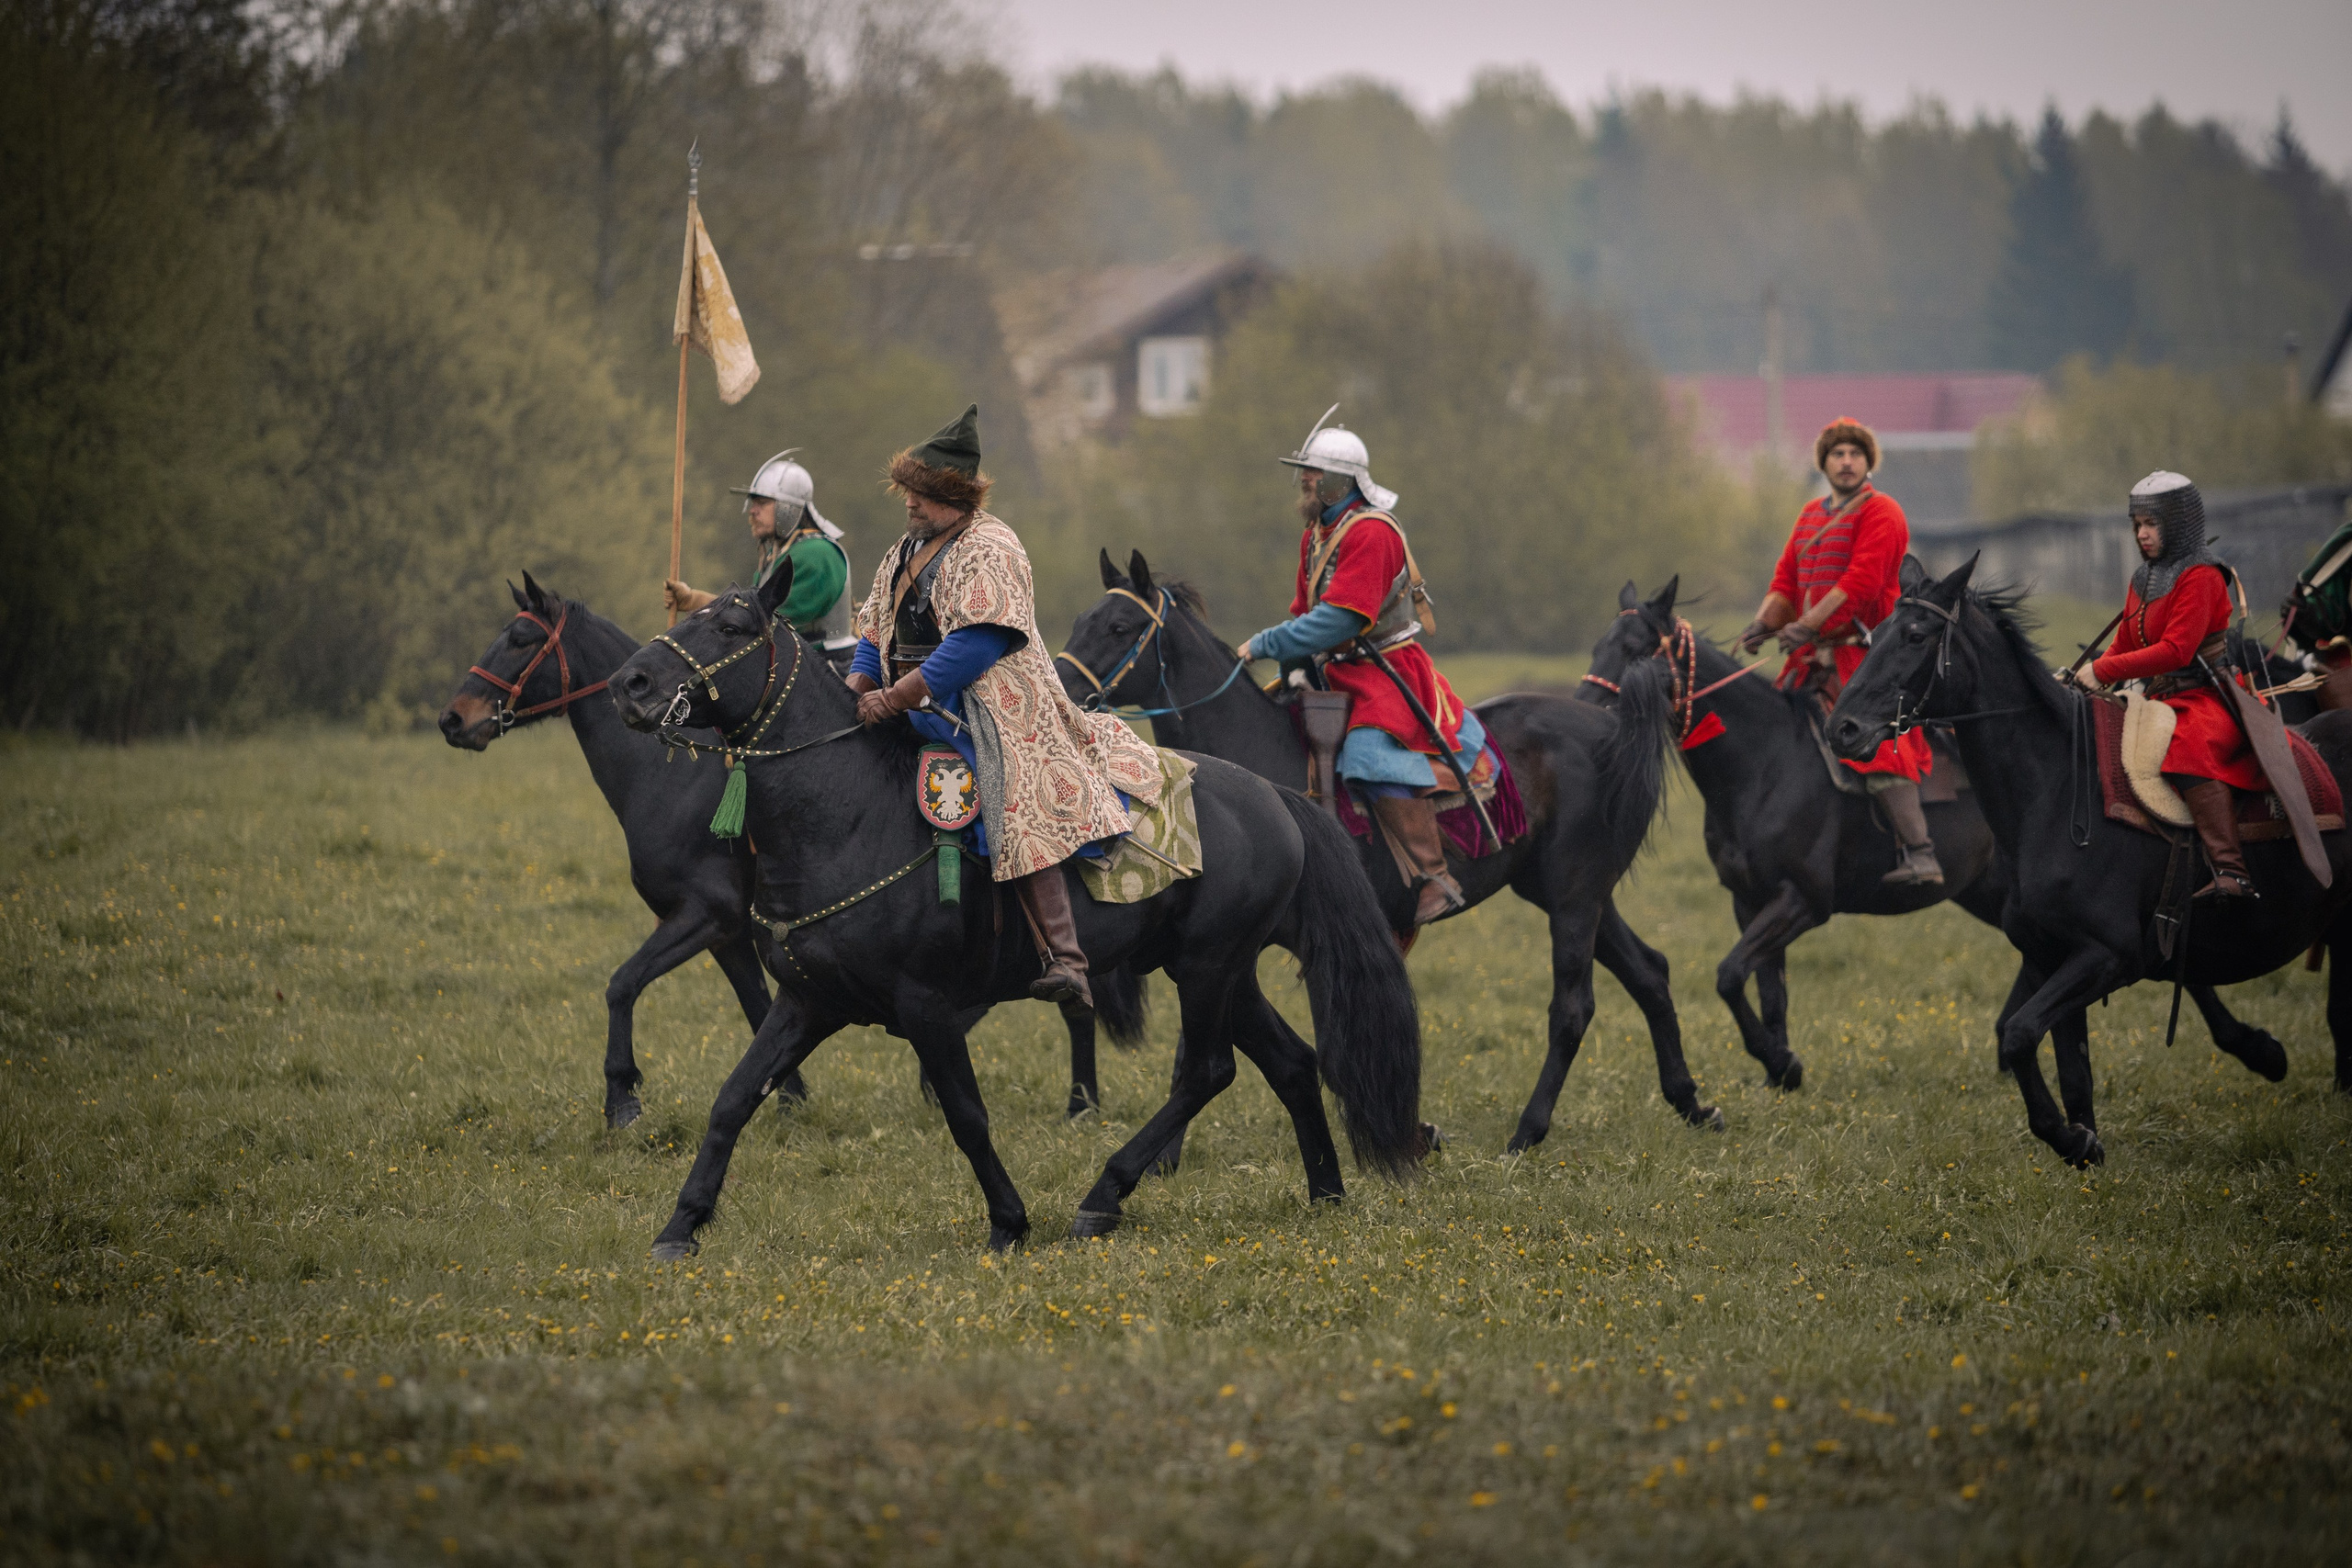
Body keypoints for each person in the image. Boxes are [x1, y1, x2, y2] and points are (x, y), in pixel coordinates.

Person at [845, 405, 1165, 1007]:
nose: (909, 503)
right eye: (907, 492)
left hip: (996, 705)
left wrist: (895, 698)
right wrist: (858, 690)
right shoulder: (903, 548)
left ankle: (1065, 957)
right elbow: (874, 630)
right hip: (909, 702)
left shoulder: (992, 546)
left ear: (953, 495)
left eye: (921, 494)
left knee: (1011, 795)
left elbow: (974, 647)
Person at [1236, 408, 1484, 926]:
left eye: (1313, 471)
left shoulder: (1372, 533)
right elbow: (1307, 613)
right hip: (1333, 669)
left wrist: (1266, 643)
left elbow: (1340, 621)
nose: (1304, 478)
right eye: (1304, 470)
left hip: (1384, 669)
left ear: (1341, 479)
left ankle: (1435, 874)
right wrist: (1292, 665)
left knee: (1368, 756)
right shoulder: (1318, 533)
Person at [1736, 416, 1942, 885]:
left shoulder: (1883, 510)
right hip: (1809, 659)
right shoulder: (1811, 515)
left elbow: (1862, 581)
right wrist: (1762, 624)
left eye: (1855, 454)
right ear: (1825, 463)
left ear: (1868, 461)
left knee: (1880, 747)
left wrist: (1807, 626)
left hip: (1868, 655)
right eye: (1837, 454)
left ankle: (1921, 852)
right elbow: (1785, 580)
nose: (1846, 462)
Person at [2067, 471, 2261, 899]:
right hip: (2158, 698)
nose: (2142, 534)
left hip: (2208, 697)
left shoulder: (2203, 576)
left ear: (2178, 523)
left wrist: (2103, 673)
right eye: (2137, 525)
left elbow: (2177, 650)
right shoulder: (2145, 578)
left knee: (2188, 747)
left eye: (2151, 524)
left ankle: (2233, 870)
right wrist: (2083, 673)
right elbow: (2124, 643)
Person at [665, 450, 857, 673]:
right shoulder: (780, 553)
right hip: (798, 664)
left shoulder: (817, 553)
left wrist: (701, 603)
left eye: (762, 503)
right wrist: (694, 600)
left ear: (789, 508)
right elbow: (752, 613)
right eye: (752, 503)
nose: (752, 511)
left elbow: (762, 620)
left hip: (828, 668)